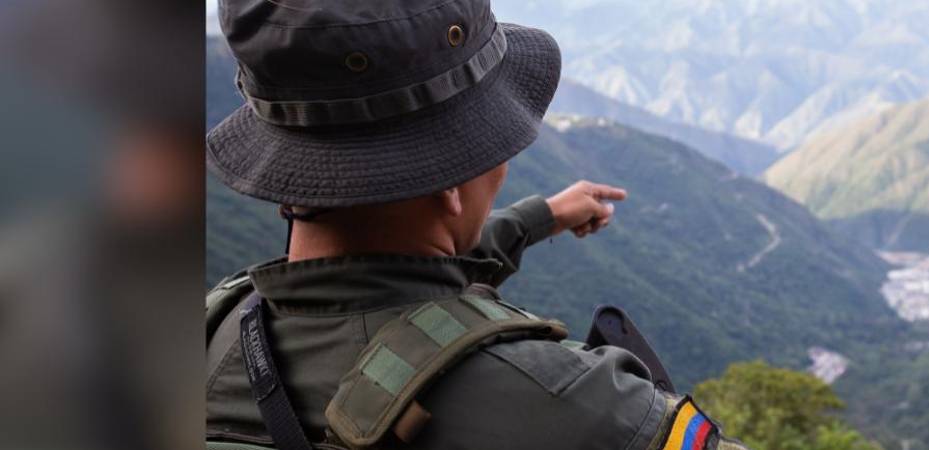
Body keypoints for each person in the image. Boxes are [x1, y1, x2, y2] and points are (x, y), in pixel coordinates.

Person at [204, 0, 747, 449]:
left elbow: (377, 274)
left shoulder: (207, 333)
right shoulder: (583, 406)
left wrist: (540, 218)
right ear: (449, 173)